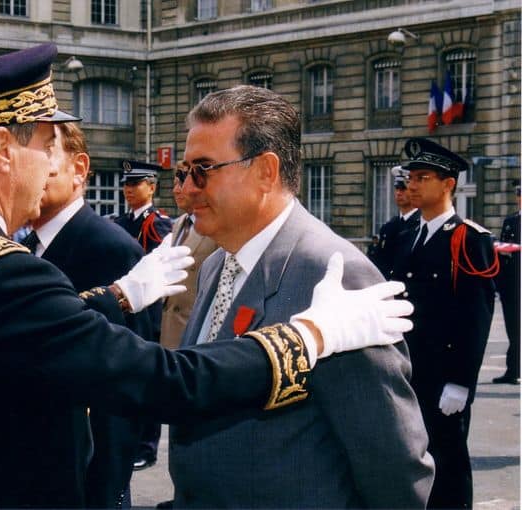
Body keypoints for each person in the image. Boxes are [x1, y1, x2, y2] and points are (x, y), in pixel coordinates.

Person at [0, 43, 413, 508]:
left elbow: (391, 459)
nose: (53, 167)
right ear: (2, 149)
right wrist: (313, 335)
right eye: (46, 147)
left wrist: (119, 296)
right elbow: (166, 382)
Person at [169, 85, 434, 508]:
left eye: (203, 170)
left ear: (265, 171)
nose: (186, 188)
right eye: (183, 171)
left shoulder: (332, 273)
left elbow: (393, 462)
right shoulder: (218, 264)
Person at [26, 121, 150, 508]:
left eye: (44, 156)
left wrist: (109, 483)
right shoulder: (30, 243)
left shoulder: (109, 246)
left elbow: (126, 376)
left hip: (88, 472)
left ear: (79, 169)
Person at [391, 137, 498, 509]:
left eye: (423, 177)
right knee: (409, 460)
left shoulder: (468, 239)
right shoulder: (405, 236)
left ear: (448, 183)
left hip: (443, 377)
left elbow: (475, 317)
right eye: (411, 177)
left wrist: (461, 382)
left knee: (448, 464)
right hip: (405, 371)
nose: (413, 185)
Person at [114, 160, 172, 470]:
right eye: (126, 183)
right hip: (125, 306)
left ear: (151, 187)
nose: (128, 189)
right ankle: (129, 440)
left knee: (147, 374)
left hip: (148, 311)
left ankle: (147, 446)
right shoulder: (120, 222)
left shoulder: (157, 224)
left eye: (135, 183)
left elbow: (160, 268)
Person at [160, 169, 218, 350]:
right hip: (168, 328)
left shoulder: (216, 225)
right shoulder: (179, 223)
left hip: (195, 332)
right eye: (175, 184)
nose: (176, 190)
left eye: (182, 182)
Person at [493, 184, 520, 384]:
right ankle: (513, 370)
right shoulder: (511, 221)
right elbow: (502, 256)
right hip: (512, 285)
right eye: (518, 194)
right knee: (513, 328)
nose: (520, 198)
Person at [374, 166, 420, 277]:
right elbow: (378, 263)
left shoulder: (423, 224)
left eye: (403, 189)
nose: (398, 193)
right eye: (397, 188)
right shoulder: (388, 227)